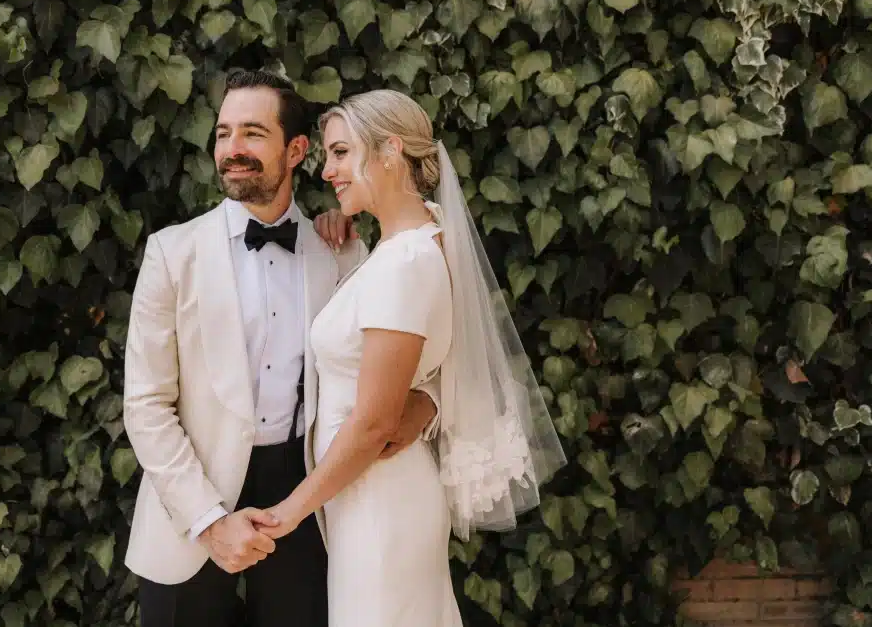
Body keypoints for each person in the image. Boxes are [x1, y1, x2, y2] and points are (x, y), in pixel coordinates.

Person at [121, 70, 442, 627]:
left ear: (296, 150)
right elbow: (145, 406)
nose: (231, 150)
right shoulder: (171, 254)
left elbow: (410, 348)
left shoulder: (341, 251)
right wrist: (208, 520)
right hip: (189, 501)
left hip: (307, 495)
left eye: (251, 133)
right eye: (222, 134)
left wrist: (426, 406)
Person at [255, 90, 568, 627]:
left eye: (340, 153)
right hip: (367, 497)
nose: (327, 170)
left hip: (382, 503)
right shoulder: (409, 243)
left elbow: (374, 422)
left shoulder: (405, 262)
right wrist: (425, 401)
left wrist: (287, 514)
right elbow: (429, 368)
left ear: (390, 151)